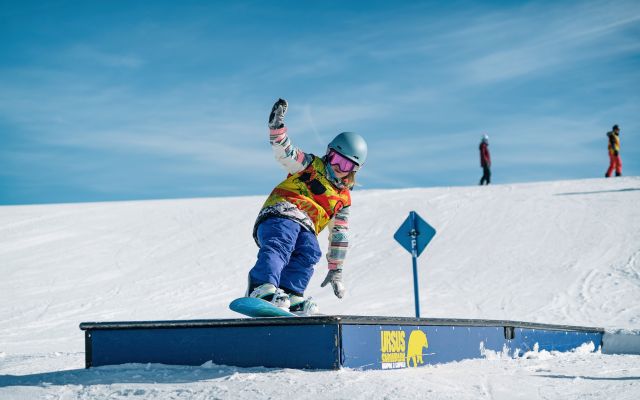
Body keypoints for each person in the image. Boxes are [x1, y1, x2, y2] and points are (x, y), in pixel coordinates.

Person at [246, 98, 367, 315]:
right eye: (335, 158)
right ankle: (261, 286)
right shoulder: (310, 165)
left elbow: (339, 235)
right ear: (328, 153)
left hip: (306, 226)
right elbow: (286, 152)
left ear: (354, 170)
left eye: (346, 164)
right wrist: (277, 129)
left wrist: (336, 271)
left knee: (310, 251)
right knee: (283, 241)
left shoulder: (343, 199)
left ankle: (289, 293)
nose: (338, 167)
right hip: (281, 212)